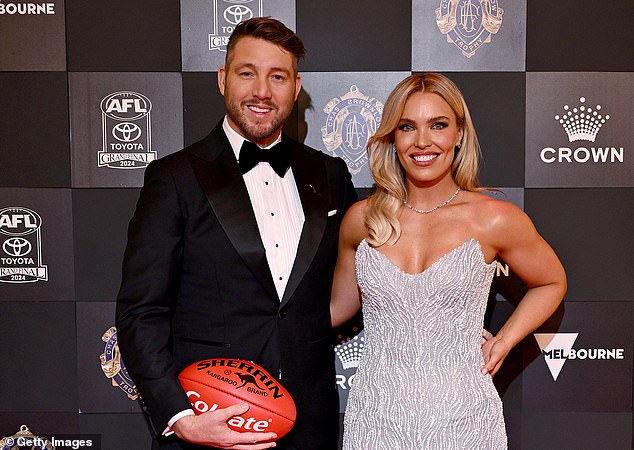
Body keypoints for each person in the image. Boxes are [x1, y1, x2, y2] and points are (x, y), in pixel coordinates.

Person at [116, 17, 356, 450]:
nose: (262, 91)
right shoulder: (174, 178)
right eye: (247, 73)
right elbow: (141, 311)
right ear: (223, 79)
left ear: (296, 87)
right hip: (209, 425)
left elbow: (365, 279)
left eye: (277, 76)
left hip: (310, 428)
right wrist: (181, 417)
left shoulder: (331, 175)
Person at [330, 73, 566, 449]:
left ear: (459, 134)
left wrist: (504, 341)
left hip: (464, 420)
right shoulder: (362, 219)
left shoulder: (494, 218)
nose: (422, 142)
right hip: (375, 419)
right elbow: (335, 309)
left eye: (437, 125)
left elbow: (551, 282)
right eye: (407, 127)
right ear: (393, 136)